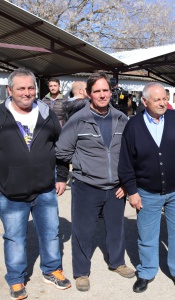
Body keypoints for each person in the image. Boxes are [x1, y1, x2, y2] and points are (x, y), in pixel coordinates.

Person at [0, 68, 71, 300]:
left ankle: (52, 269)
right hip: (10, 192)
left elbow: (61, 147)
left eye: (31, 88)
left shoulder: (47, 114)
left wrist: (62, 176)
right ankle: (16, 279)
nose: (27, 93)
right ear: (10, 90)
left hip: (45, 189)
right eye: (21, 88)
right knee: (15, 237)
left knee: (51, 233)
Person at [56, 73, 134, 292]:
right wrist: (76, 170)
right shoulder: (78, 119)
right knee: (83, 231)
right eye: (97, 91)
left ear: (111, 92)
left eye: (105, 90)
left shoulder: (121, 118)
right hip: (86, 186)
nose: (102, 94)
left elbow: (130, 154)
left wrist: (126, 184)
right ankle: (81, 272)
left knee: (116, 228)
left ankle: (117, 262)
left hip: (116, 187)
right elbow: (62, 152)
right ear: (89, 94)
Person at [119, 82, 175, 293]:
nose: (163, 103)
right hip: (147, 192)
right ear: (144, 101)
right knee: (146, 235)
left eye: (165, 98)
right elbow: (126, 163)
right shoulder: (133, 126)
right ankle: (146, 272)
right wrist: (132, 191)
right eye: (158, 99)